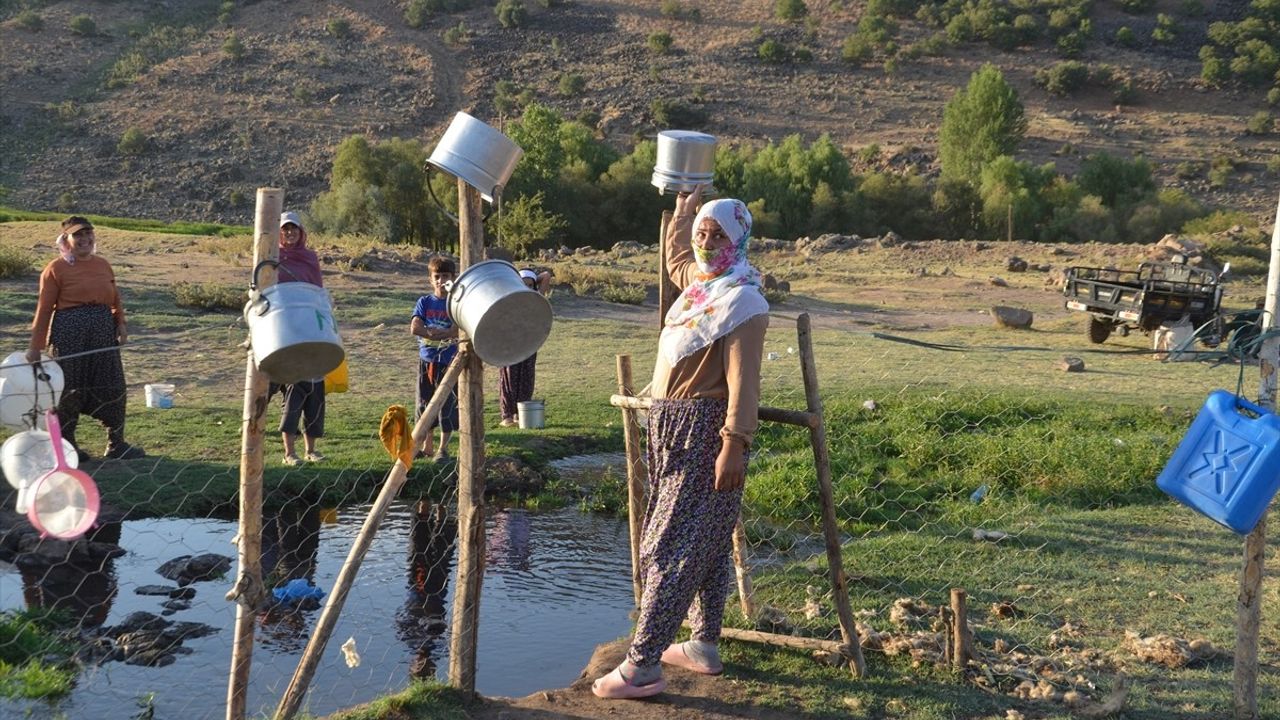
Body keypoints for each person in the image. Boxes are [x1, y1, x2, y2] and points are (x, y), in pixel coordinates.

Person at [593, 185, 769, 699]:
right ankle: (702, 644)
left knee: (666, 547)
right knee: (707, 545)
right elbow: (676, 260)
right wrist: (683, 213)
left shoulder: (742, 301)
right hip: (672, 427)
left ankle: (643, 663)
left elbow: (744, 384)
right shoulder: (703, 286)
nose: (706, 243)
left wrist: (734, 442)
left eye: (717, 235)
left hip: (705, 431)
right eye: (701, 235)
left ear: (737, 239)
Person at [25, 216, 145, 460]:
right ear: (66, 240)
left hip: (102, 332)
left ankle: (116, 443)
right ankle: (69, 448)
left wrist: (120, 323)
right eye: (77, 235)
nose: (84, 239)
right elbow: (45, 308)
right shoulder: (55, 269)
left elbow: (114, 297)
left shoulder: (103, 264)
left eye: (88, 234)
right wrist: (35, 347)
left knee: (112, 383)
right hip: (69, 334)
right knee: (69, 387)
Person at [274, 211, 327, 466]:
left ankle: (311, 449)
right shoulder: (271, 258)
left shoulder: (309, 258)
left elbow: (317, 291)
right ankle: (289, 453)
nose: (289, 233)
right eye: (285, 229)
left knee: (314, 388)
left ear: (301, 231)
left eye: (293, 229)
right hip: (282, 332)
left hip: (308, 328)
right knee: (294, 388)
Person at [410, 256, 460, 461]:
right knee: (424, 403)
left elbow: (456, 330)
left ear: (452, 278)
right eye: (436, 276)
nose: (440, 281)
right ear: (430, 279)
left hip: (449, 362)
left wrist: (432, 332)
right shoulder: (424, 302)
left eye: (445, 276)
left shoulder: (456, 303)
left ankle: (443, 449)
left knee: (447, 405)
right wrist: (439, 333)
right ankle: (427, 446)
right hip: (427, 360)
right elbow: (415, 327)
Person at [497, 268, 552, 427]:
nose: (526, 288)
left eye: (530, 285)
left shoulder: (536, 298)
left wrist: (532, 279)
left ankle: (519, 413)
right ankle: (507, 414)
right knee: (508, 379)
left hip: (529, 344)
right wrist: (516, 280)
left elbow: (546, 276)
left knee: (526, 378)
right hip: (510, 345)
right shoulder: (508, 298)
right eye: (523, 284)